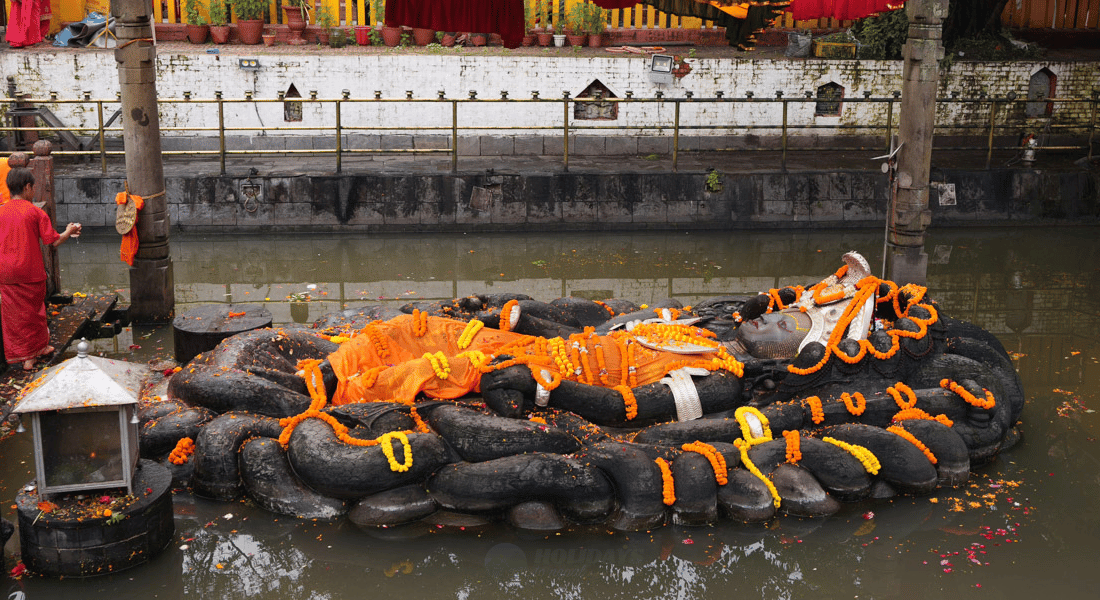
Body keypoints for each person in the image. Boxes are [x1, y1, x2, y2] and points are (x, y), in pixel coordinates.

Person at [0, 168, 81, 370]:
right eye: (34, 187)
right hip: (29, 269)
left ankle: (29, 352)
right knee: (34, 311)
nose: (34, 191)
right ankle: (31, 356)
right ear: (27, 187)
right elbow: (52, 241)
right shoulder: (35, 212)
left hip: (5, 271)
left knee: (14, 315)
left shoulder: (1, 210)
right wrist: (69, 230)